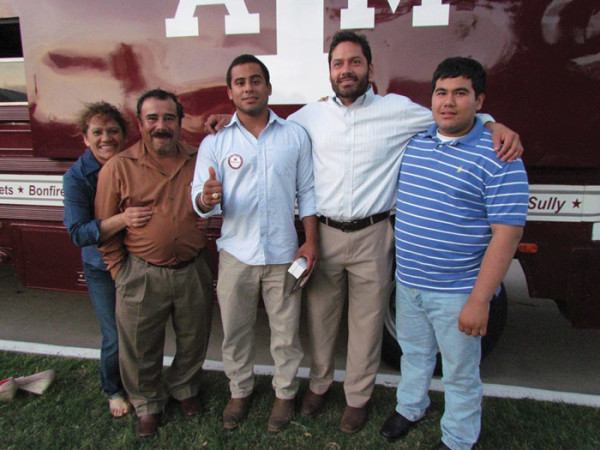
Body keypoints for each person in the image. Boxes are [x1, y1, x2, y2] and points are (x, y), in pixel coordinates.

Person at [206, 31, 523, 434]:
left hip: (375, 235)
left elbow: (452, 114)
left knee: (368, 324)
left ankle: (357, 397)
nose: (346, 70)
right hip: (324, 234)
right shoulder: (309, 116)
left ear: (370, 69)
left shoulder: (400, 110)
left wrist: (493, 123)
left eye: (354, 62)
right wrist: (221, 117)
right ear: (329, 72)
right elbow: (266, 123)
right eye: (338, 64)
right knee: (320, 320)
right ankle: (319, 387)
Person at [379, 57, 528, 450]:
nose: (448, 102)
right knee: (414, 354)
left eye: (460, 93)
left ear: (479, 100)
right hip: (408, 284)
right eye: (441, 93)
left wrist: (480, 301)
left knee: (461, 373)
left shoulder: (501, 156)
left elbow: (507, 236)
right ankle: (411, 407)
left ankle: (460, 439)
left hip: (458, 291)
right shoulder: (417, 141)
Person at [191, 54, 318, 434]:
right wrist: (207, 199)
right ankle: (240, 391)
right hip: (236, 254)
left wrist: (310, 241)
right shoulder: (215, 142)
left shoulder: (294, 135)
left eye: (256, 80)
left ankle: (284, 395)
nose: (249, 87)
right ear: (230, 92)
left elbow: (307, 191)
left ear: (268, 87)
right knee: (236, 331)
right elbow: (199, 198)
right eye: (241, 82)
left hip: (283, 254)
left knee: (286, 335)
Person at [95, 89, 214, 439]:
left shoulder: (199, 157)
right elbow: (104, 226)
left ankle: (184, 389)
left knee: (194, 338)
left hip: (193, 268)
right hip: (141, 271)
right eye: (152, 118)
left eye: (168, 118)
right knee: (139, 345)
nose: (161, 126)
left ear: (180, 122)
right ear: (140, 123)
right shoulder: (119, 167)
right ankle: (147, 404)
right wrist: (121, 271)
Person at [63, 101, 152, 417]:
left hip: (138, 261)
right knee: (115, 333)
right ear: (85, 138)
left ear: (124, 135)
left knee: (140, 330)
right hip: (102, 267)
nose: (106, 138)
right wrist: (123, 219)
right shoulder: (77, 177)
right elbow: (78, 233)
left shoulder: (135, 165)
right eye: (97, 132)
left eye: (113, 131)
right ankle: (113, 389)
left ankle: (141, 384)